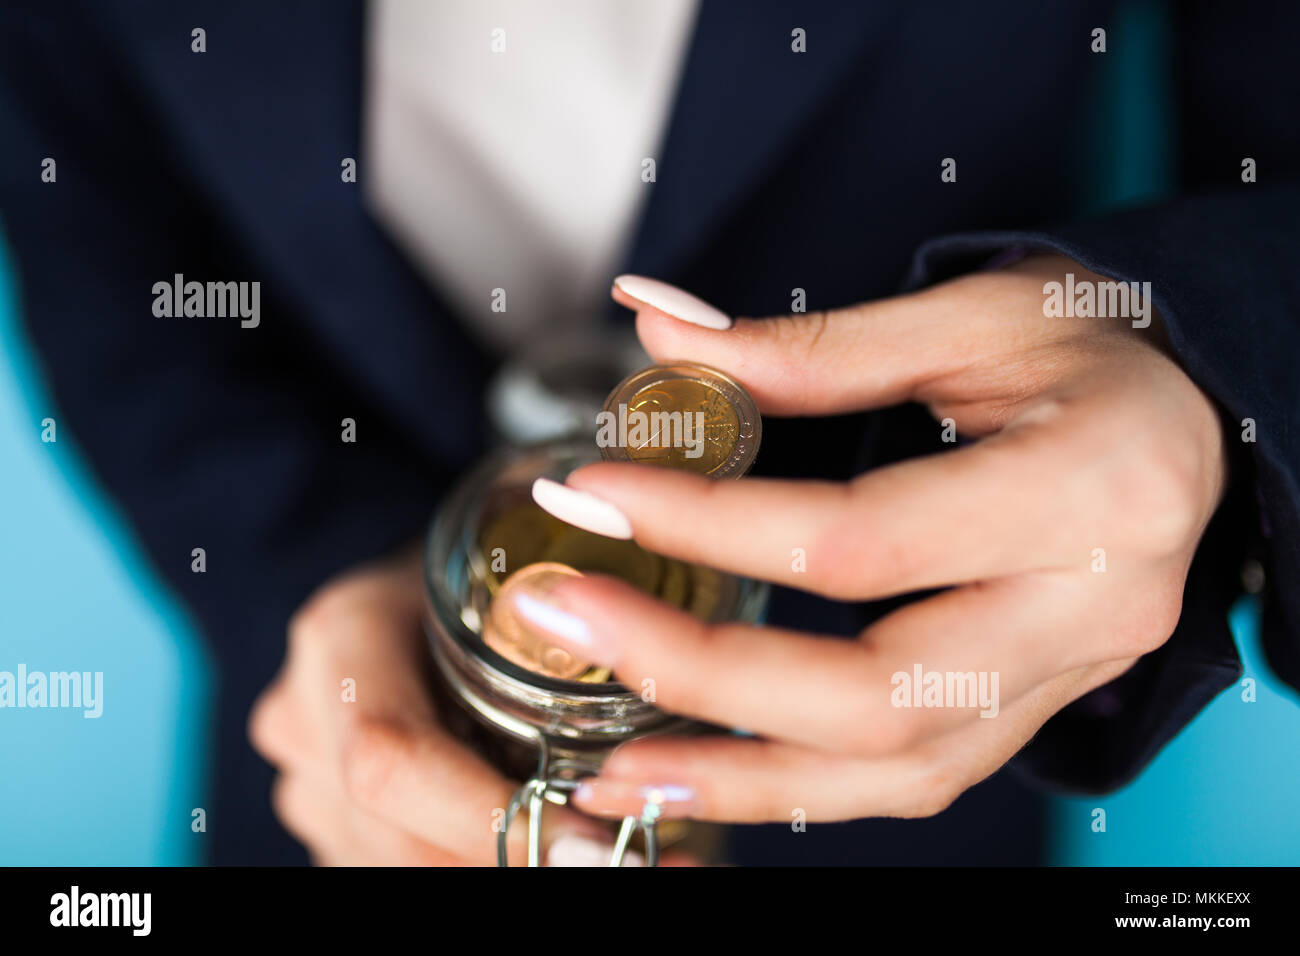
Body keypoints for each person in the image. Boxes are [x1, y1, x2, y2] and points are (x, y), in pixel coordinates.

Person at [1, 1, 1295, 865]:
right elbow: (79, 200)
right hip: (348, 764)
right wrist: (310, 576)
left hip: (920, 733)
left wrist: (1191, 370)